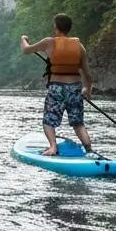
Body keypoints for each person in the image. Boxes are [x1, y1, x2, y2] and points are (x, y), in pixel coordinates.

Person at [20, 13, 94, 156]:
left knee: (48, 121)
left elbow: (26, 49)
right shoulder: (79, 46)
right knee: (78, 123)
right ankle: (89, 150)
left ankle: (53, 147)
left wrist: (23, 39)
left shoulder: (49, 42)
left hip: (56, 88)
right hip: (75, 88)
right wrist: (87, 89)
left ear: (55, 26)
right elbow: (88, 74)